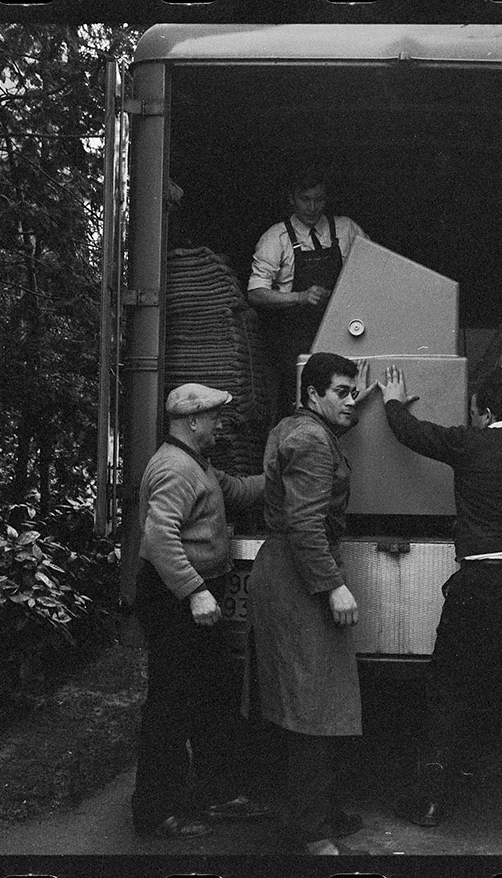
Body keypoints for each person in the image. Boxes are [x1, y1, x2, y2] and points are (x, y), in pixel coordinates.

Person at [377, 366, 502, 834]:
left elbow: (413, 434)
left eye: (474, 412)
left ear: (484, 412)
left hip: (482, 584)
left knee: (449, 691)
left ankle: (427, 803)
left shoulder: (471, 444)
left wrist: (393, 401)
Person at [130, 383, 274, 839]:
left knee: (212, 696)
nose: (219, 425)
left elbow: (239, 491)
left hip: (190, 596)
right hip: (175, 598)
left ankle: (217, 793)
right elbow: (158, 539)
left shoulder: (198, 464)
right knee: (171, 705)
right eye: (213, 418)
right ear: (193, 422)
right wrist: (194, 591)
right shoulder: (176, 469)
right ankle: (155, 813)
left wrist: (286, 472)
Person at [247, 351, 373, 854]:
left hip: (287, 571)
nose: (351, 401)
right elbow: (304, 524)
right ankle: (308, 830)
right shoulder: (311, 441)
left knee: (308, 700)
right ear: (313, 394)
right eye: (341, 392)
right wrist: (332, 585)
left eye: (355, 392)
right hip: (300, 578)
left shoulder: (299, 429)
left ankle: (315, 811)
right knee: (310, 704)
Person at [247, 165, 368, 413]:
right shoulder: (275, 238)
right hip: (294, 341)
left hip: (343, 334)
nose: (312, 208)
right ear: (291, 198)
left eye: (319, 200)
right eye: (305, 200)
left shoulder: (347, 229)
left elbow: (375, 271)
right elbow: (255, 293)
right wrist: (301, 297)